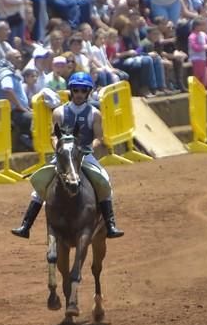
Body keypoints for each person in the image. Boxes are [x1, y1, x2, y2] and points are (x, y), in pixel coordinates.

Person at [11, 72, 124, 239]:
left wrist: (87, 149)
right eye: (76, 90)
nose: (79, 94)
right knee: (39, 187)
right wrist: (60, 149)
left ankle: (110, 225)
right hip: (64, 155)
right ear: (71, 91)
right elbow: (53, 135)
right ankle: (25, 226)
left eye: (83, 91)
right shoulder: (59, 112)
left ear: (88, 92)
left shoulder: (95, 114)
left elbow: (99, 138)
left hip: (85, 154)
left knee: (104, 182)